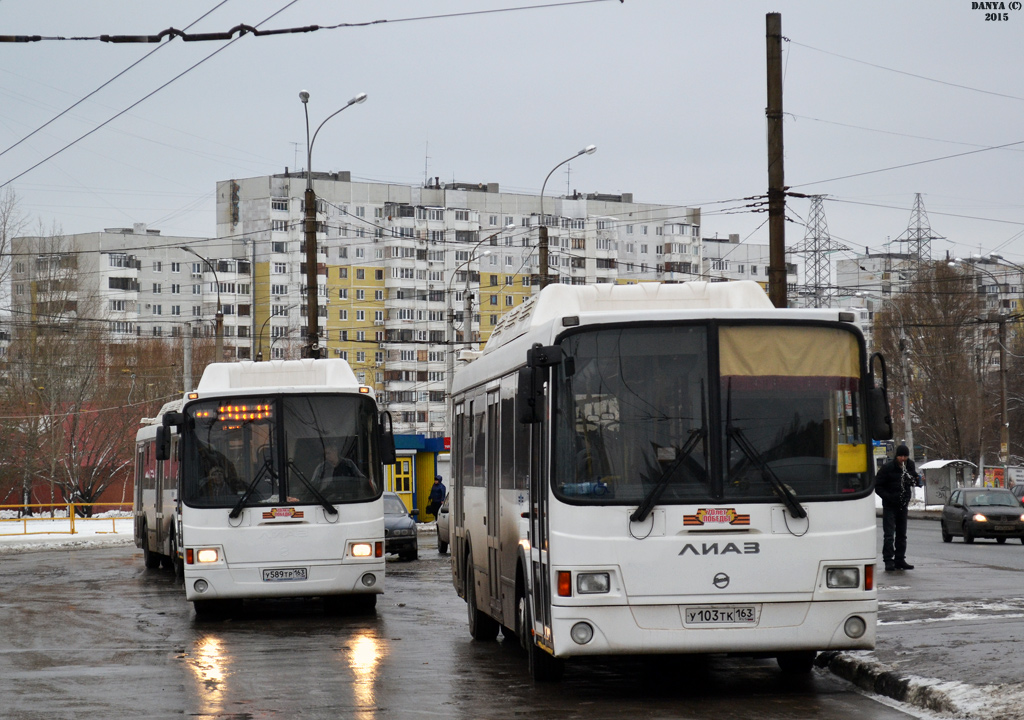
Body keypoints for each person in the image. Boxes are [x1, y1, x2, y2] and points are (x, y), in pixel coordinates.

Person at [874, 444, 921, 572]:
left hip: (902, 505)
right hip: (890, 505)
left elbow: (913, 478)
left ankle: (900, 559)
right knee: (889, 534)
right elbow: (878, 486)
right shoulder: (887, 468)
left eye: (905, 456)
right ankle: (888, 560)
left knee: (902, 534)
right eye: (901, 456)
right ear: (896, 456)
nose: (903, 459)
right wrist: (888, 497)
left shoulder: (909, 465)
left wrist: (916, 480)